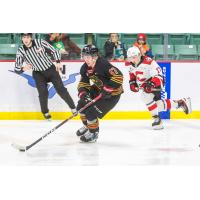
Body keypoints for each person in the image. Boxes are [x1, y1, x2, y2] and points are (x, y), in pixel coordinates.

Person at [126, 46, 192, 130]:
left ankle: (157, 119)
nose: (132, 60)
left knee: (145, 97)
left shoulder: (149, 62)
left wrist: (151, 84)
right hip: (145, 85)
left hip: (156, 83)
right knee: (158, 105)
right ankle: (180, 103)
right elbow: (132, 75)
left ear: (139, 55)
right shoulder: (130, 64)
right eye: (130, 58)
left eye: (134, 57)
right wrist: (132, 83)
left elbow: (159, 75)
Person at [14, 33, 77, 120]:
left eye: (28, 37)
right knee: (43, 93)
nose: (26, 39)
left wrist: (58, 62)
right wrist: (23, 69)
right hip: (38, 73)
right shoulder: (21, 50)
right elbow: (16, 69)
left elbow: (54, 51)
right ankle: (45, 112)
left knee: (61, 89)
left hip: (50, 69)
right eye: (24, 37)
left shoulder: (40, 42)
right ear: (21, 38)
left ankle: (73, 108)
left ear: (31, 38)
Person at [76, 44, 123, 142]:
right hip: (98, 89)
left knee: (91, 112)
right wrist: (83, 93)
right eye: (84, 56)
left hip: (112, 94)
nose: (86, 59)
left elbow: (119, 76)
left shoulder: (103, 64)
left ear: (95, 57)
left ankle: (93, 133)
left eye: (88, 57)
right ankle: (87, 126)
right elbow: (83, 83)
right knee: (81, 105)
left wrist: (108, 89)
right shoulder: (84, 68)